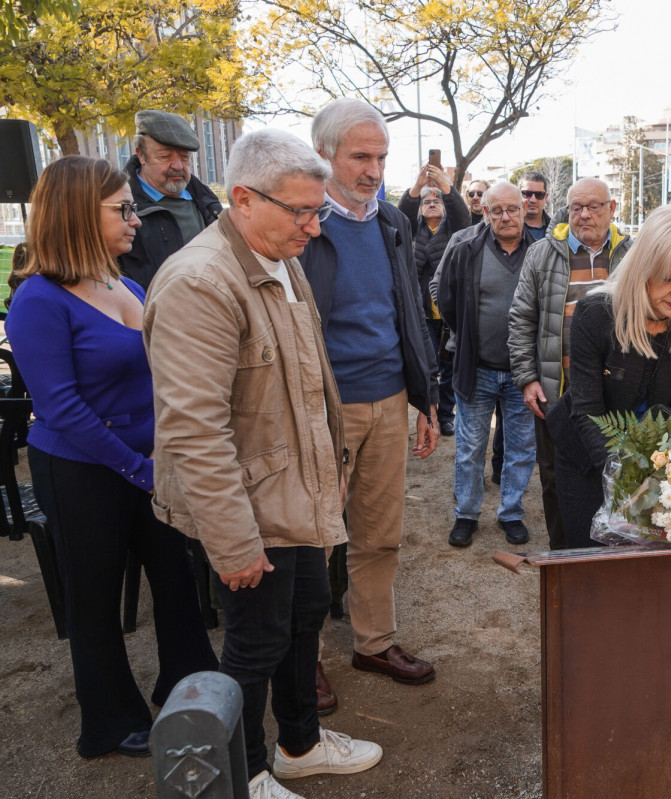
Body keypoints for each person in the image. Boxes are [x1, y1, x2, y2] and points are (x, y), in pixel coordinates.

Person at [145, 129, 384, 799]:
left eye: (319, 212)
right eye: (301, 212)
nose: (313, 227)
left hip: (298, 491)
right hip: (248, 507)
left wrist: (329, 473)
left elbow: (308, 382)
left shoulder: (283, 254)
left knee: (307, 611)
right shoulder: (200, 280)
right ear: (243, 199)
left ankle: (300, 743)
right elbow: (194, 429)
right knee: (254, 642)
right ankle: (245, 774)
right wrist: (234, 540)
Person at [6, 156, 218, 760]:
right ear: (77, 213)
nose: (135, 219)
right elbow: (62, 409)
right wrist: (140, 469)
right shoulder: (38, 300)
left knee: (176, 578)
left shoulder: (125, 283)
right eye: (122, 208)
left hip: (148, 463)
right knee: (95, 599)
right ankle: (108, 720)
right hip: (80, 470)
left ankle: (188, 684)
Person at [300, 98, 438, 709]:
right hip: (325, 406)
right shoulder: (301, 223)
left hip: (389, 397)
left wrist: (425, 399)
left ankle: (373, 641)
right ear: (324, 154)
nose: (374, 170)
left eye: (381, 157)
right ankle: (302, 660)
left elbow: (407, 311)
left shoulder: (390, 222)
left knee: (380, 534)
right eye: (361, 156)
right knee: (312, 539)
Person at [547, 205, 671, 547]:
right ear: (644, 269)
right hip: (584, 452)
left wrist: (654, 475)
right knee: (585, 550)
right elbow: (587, 408)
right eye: (669, 277)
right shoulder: (595, 314)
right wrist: (622, 474)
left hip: (652, 461)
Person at [509, 177, 632, 550]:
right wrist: (528, 377)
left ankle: (615, 555)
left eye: (594, 206)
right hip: (556, 391)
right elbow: (521, 318)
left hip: (618, 395)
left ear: (612, 210)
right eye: (576, 206)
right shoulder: (544, 253)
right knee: (555, 479)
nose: (584, 214)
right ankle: (564, 555)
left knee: (618, 474)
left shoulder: (632, 255)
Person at [436, 181, 538, 547]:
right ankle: (466, 514)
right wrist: (462, 332)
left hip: (524, 373)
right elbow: (440, 290)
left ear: (524, 209)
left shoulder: (540, 250)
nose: (505, 216)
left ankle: (511, 513)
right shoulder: (465, 245)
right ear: (485, 212)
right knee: (470, 447)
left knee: (522, 448)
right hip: (475, 366)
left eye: (512, 209)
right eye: (497, 210)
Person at [400, 166, 470, 436]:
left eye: (436, 200)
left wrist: (447, 189)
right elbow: (402, 213)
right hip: (421, 311)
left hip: (450, 311)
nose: (431, 204)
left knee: (450, 365)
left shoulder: (455, 230)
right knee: (425, 364)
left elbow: (461, 214)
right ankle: (425, 412)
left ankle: (445, 414)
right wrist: (416, 187)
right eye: (426, 202)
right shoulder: (411, 229)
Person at [119, 109, 223, 290]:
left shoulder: (208, 203)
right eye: (164, 157)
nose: (177, 166)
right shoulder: (120, 208)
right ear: (141, 155)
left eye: (185, 157)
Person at [520, 171, 552, 240]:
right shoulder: (507, 228)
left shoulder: (557, 231)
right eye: (527, 194)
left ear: (545, 197)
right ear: (518, 194)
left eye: (539, 195)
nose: (533, 200)